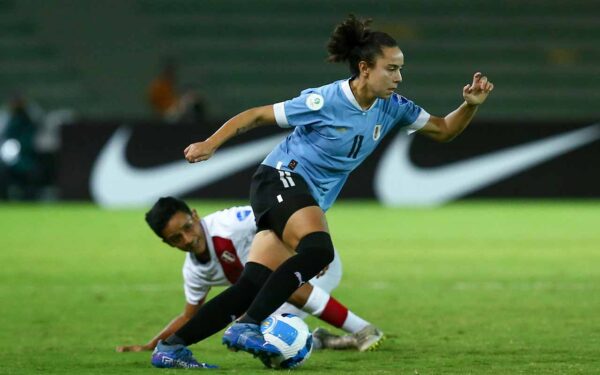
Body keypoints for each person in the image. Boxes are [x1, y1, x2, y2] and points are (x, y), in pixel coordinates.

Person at [157, 14, 495, 368]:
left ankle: (173, 347)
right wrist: (211, 144)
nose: (398, 77)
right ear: (365, 68)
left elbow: (443, 130)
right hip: (280, 179)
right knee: (319, 250)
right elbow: (256, 115)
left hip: (302, 197)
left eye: (400, 69)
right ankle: (249, 326)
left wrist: (469, 105)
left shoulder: (393, 107)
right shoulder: (326, 100)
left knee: (252, 284)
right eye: (391, 69)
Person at [116, 197, 381, 357]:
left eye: (187, 227)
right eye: (176, 238)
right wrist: (153, 344)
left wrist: (309, 250)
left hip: (315, 263)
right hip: (283, 282)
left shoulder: (232, 222)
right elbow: (189, 316)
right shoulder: (195, 270)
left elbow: (287, 214)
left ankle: (364, 331)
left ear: (195, 215)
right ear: (167, 243)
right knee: (263, 330)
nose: (188, 239)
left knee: (274, 299)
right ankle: (321, 340)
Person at [147, 58, 206, 124]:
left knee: (192, 97)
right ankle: (199, 123)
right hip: (167, 114)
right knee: (190, 97)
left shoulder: (169, 83)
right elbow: (153, 102)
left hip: (173, 112)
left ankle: (197, 122)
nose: (172, 73)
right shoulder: (159, 84)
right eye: (170, 71)